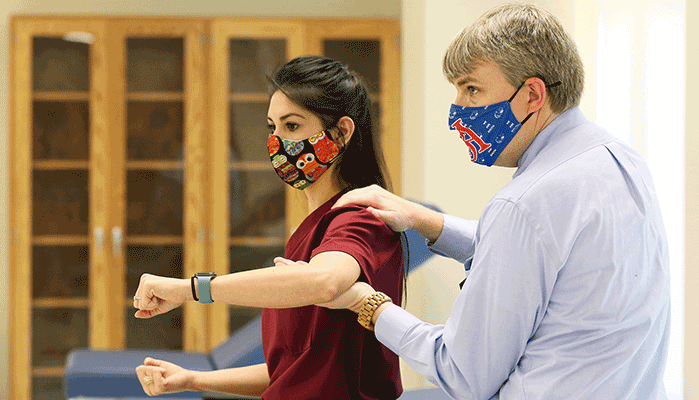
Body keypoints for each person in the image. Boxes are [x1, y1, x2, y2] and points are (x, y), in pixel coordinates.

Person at [315, 3, 671, 400]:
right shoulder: (617, 158)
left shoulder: (525, 203)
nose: (457, 114)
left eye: (472, 89)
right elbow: (539, 251)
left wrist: (371, 306)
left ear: (532, 94)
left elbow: (462, 374)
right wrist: (425, 221)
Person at [131, 55, 405, 399]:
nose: (277, 142)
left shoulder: (362, 219)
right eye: (271, 127)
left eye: (291, 126)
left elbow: (322, 282)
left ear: (342, 132)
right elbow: (293, 369)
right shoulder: (311, 230)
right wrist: (192, 379)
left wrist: (191, 289)